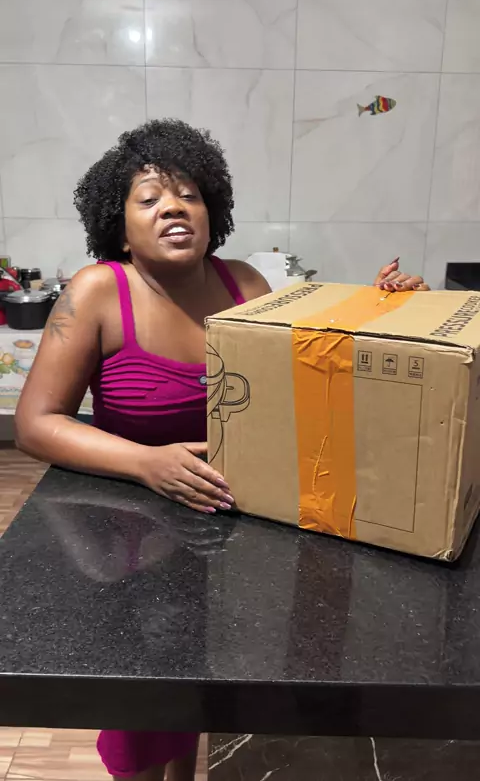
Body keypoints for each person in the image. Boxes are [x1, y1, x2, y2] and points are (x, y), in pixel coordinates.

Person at [15, 118, 430, 781]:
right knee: (144, 706)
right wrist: (147, 463)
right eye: (150, 199)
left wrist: (388, 311)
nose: (174, 208)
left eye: (190, 195)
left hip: (231, 523)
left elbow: (313, 367)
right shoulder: (97, 291)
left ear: (213, 212)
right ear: (119, 226)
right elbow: (37, 423)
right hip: (131, 534)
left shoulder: (245, 286)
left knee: (210, 677)